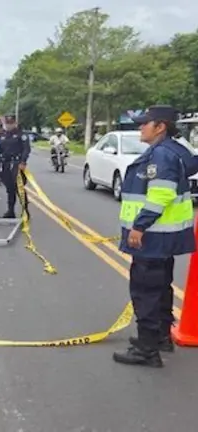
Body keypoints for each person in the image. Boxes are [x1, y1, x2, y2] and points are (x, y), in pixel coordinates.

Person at [114, 105, 198, 368]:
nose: (140, 127)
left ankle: (148, 350)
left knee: (145, 291)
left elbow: (161, 194)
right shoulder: (172, 150)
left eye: (144, 123)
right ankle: (160, 337)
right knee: (160, 287)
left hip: (151, 236)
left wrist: (139, 226)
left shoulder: (161, 155)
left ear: (160, 126)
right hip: (165, 237)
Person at [0, 114, 31, 218]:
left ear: (15, 123)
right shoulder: (2, 135)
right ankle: (10, 211)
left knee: (19, 188)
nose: (9, 125)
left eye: (11, 123)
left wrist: (23, 162)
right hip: (6, 164)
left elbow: (26, 149)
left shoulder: (21, 135)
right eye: (7, 123)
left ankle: (25, 211)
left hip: (17, 164)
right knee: (9, 189)